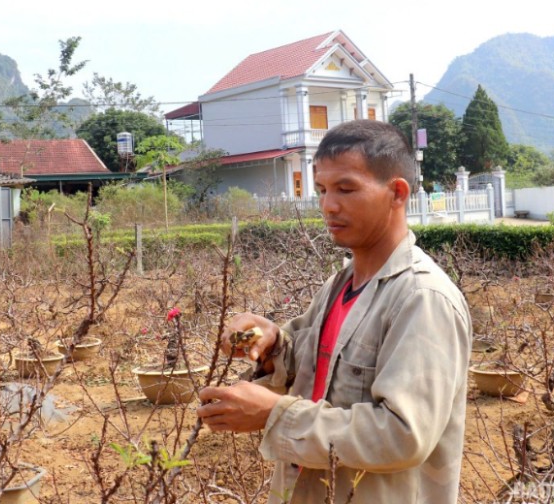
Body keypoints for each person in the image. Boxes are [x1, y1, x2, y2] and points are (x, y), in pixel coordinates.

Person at [197, 120, 471, 503]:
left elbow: (403, 435)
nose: (328, 205)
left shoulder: (422, 298)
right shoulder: (342, 284)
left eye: (346, 188)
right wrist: (272, 343)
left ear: (396, 193)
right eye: (322, 189)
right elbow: (315, 365)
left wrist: (276, 415)